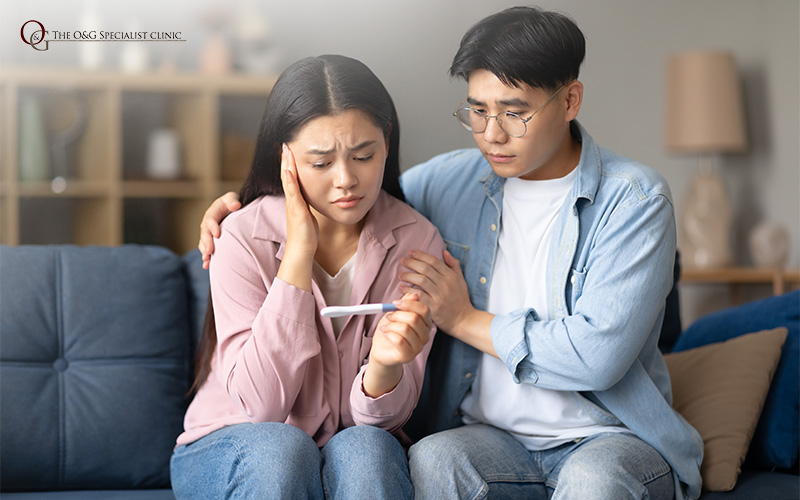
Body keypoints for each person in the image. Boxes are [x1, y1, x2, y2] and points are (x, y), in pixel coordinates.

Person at [198, 7, 703, 500]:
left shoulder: (635, 201)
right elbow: (349, 196)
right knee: (433, 459)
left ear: (570, 100)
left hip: (608, 435)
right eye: (478, 111)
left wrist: (462, 319)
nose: (492, 134)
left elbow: (596, 359)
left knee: (595, 483)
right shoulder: (449, 182)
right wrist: (238, 208)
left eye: (515, 112)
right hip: (488, 437)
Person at [172, 54, 444, 500]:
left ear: (387, 142)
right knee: (283, 449)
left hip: (350, 443)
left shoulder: (417, 240)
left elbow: (384, 421)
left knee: (368, 448)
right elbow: (262, 407)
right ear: (286, 156)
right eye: (320, 163)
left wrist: (385, 367)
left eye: (364, 155)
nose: (346, 180)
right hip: (234, 442)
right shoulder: (240, 236)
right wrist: (298, 254)